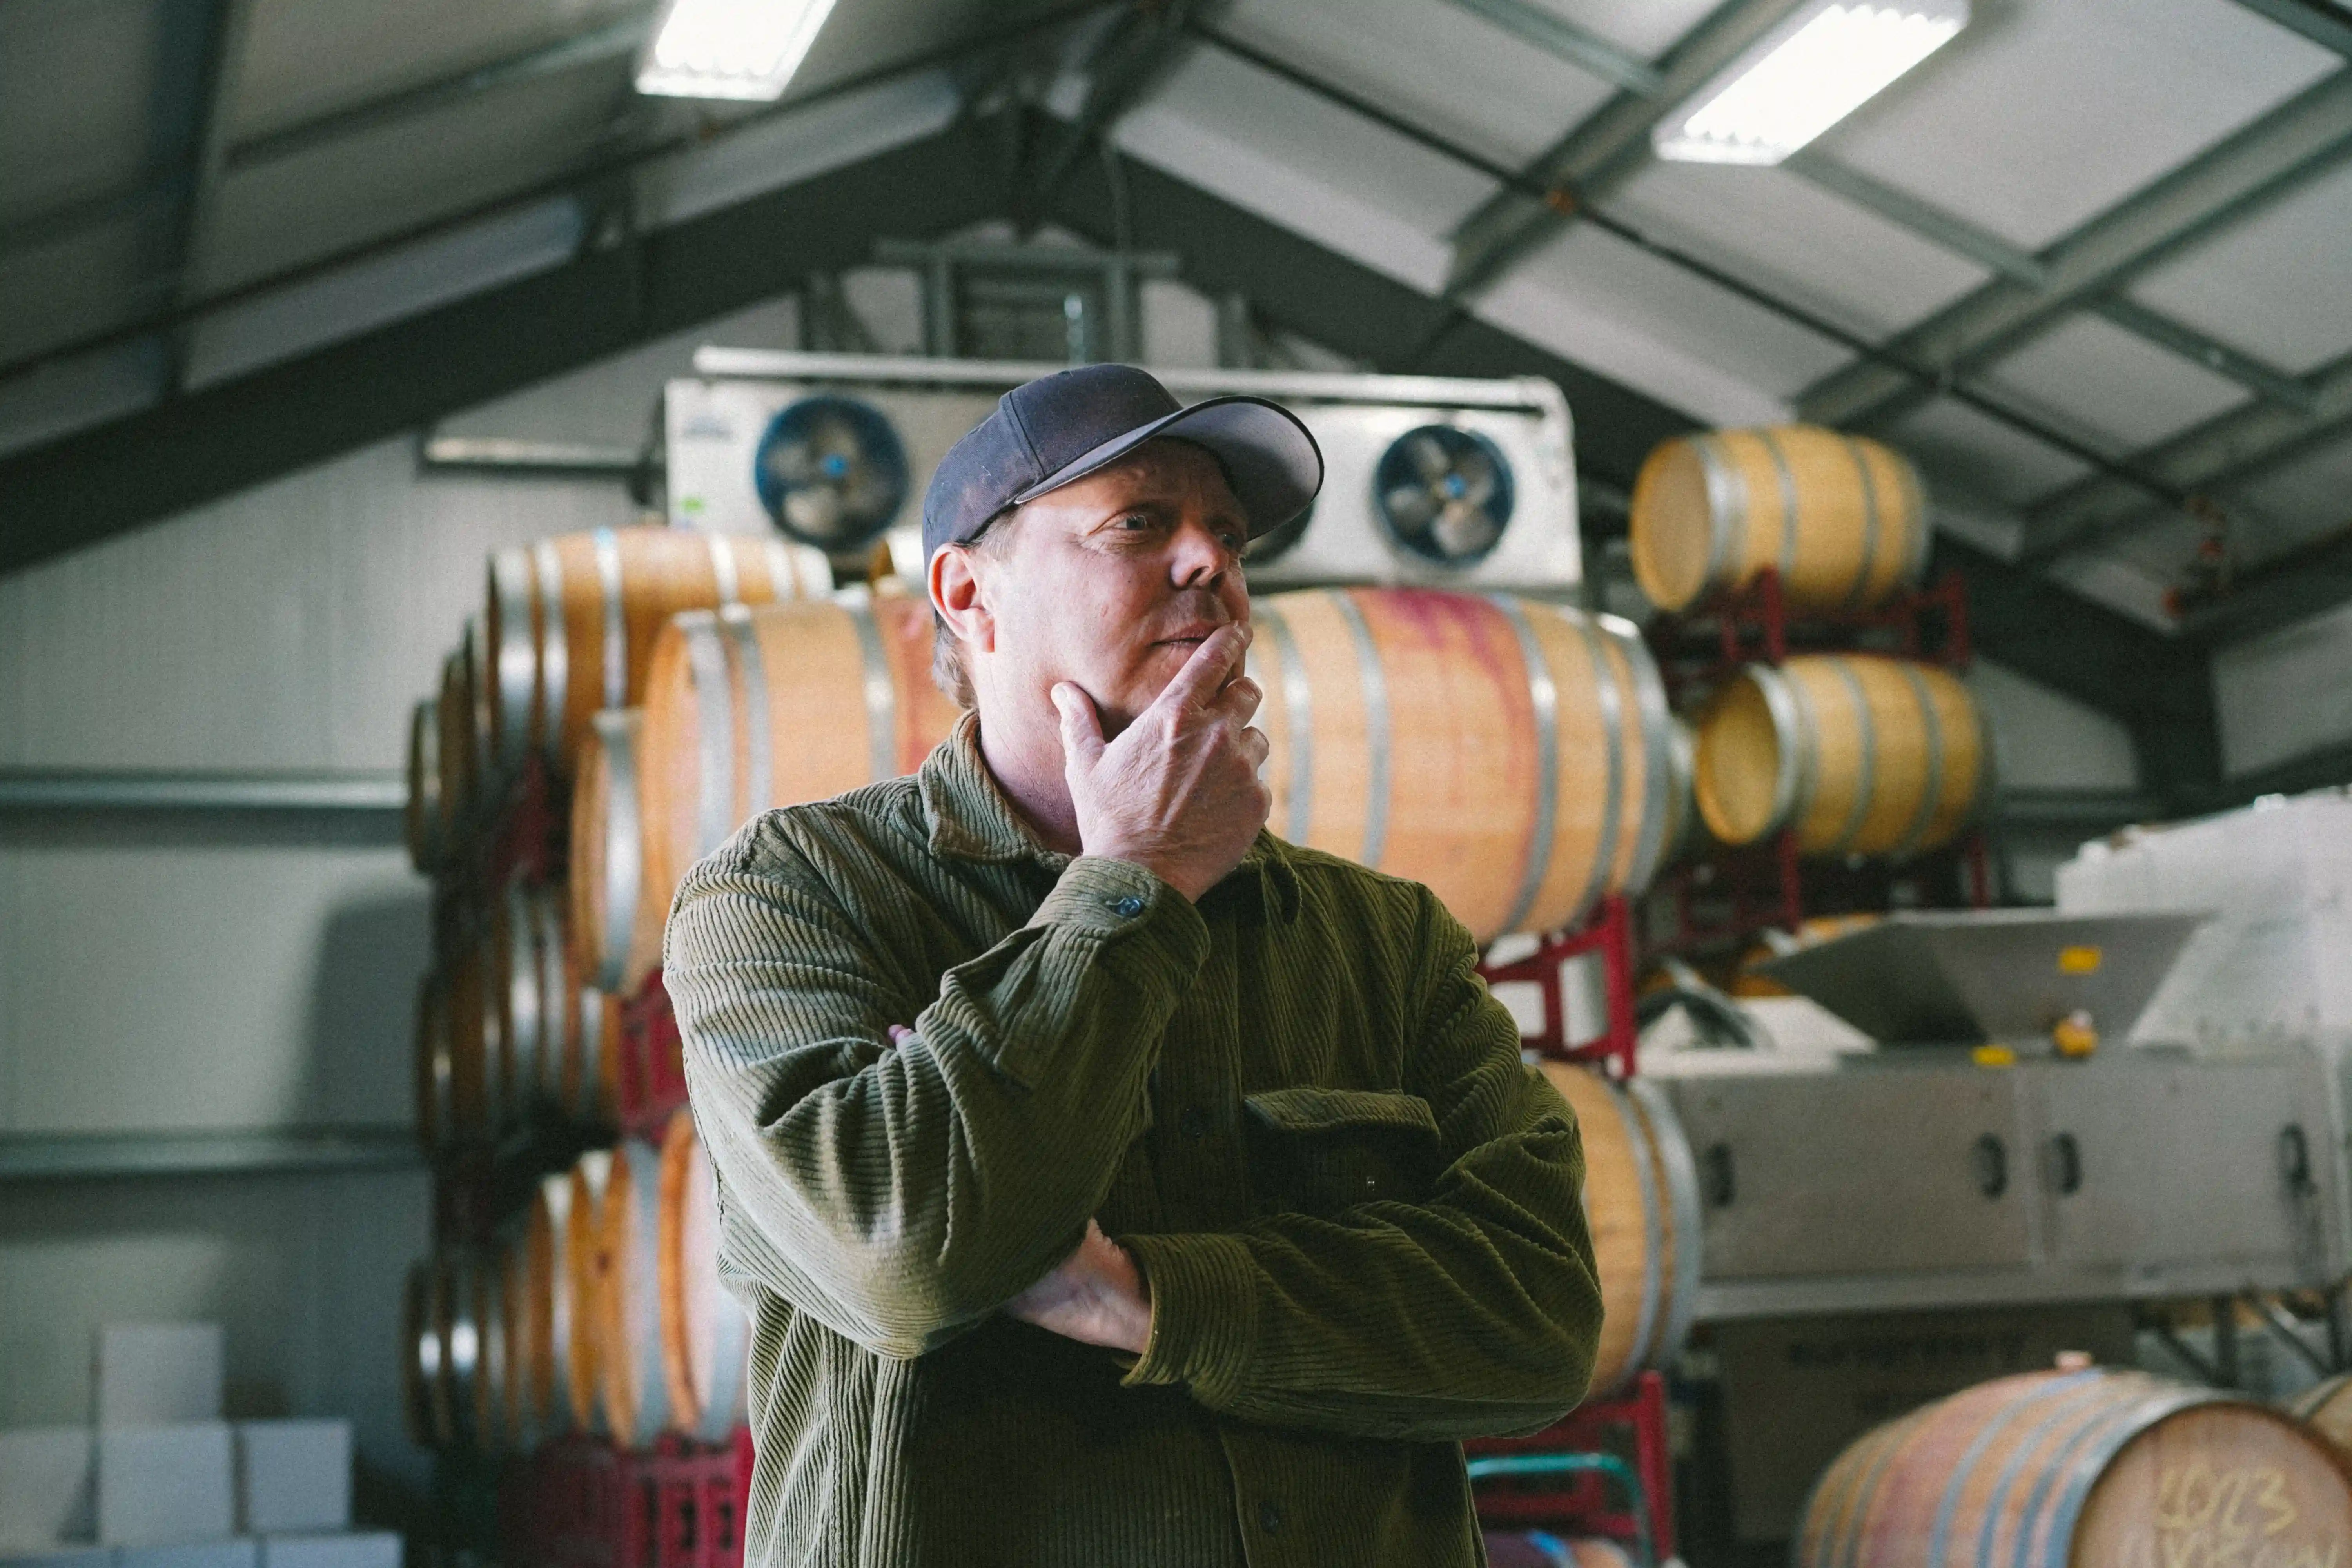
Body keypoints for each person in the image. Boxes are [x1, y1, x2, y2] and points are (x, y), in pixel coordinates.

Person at [664, 363, 1603, 1568]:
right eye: (1140, 523)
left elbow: (1538, 1326)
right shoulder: (793, 895)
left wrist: (1149, 1299)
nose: (1211, 561)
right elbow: (906, 1259)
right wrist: (1136, 882)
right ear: (970, 594)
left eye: (1229, 535)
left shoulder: (1388, 939)